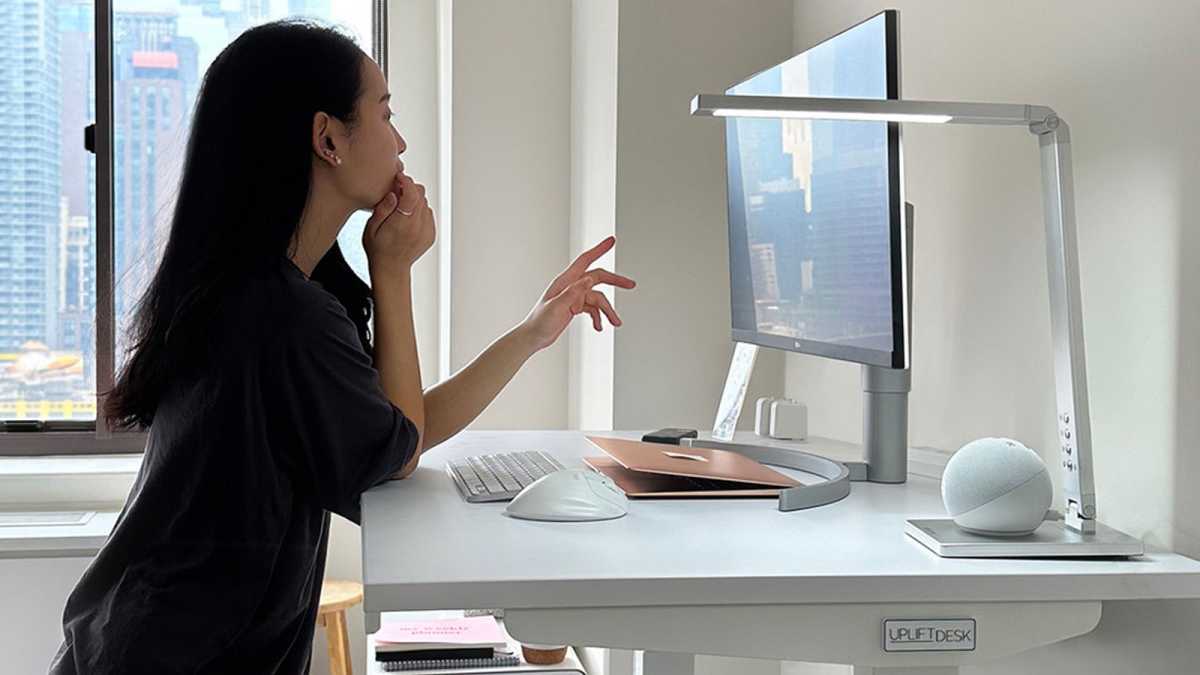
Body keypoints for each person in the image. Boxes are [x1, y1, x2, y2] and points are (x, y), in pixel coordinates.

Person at [49, 20, 634, 674]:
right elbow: (403, 445)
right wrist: (394, 272)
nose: (401, 140)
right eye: (385, 114)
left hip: (136, 643)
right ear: (328, 138)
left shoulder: (255, 293)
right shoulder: (282, 313)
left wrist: (531, 333)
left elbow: (389, 432)